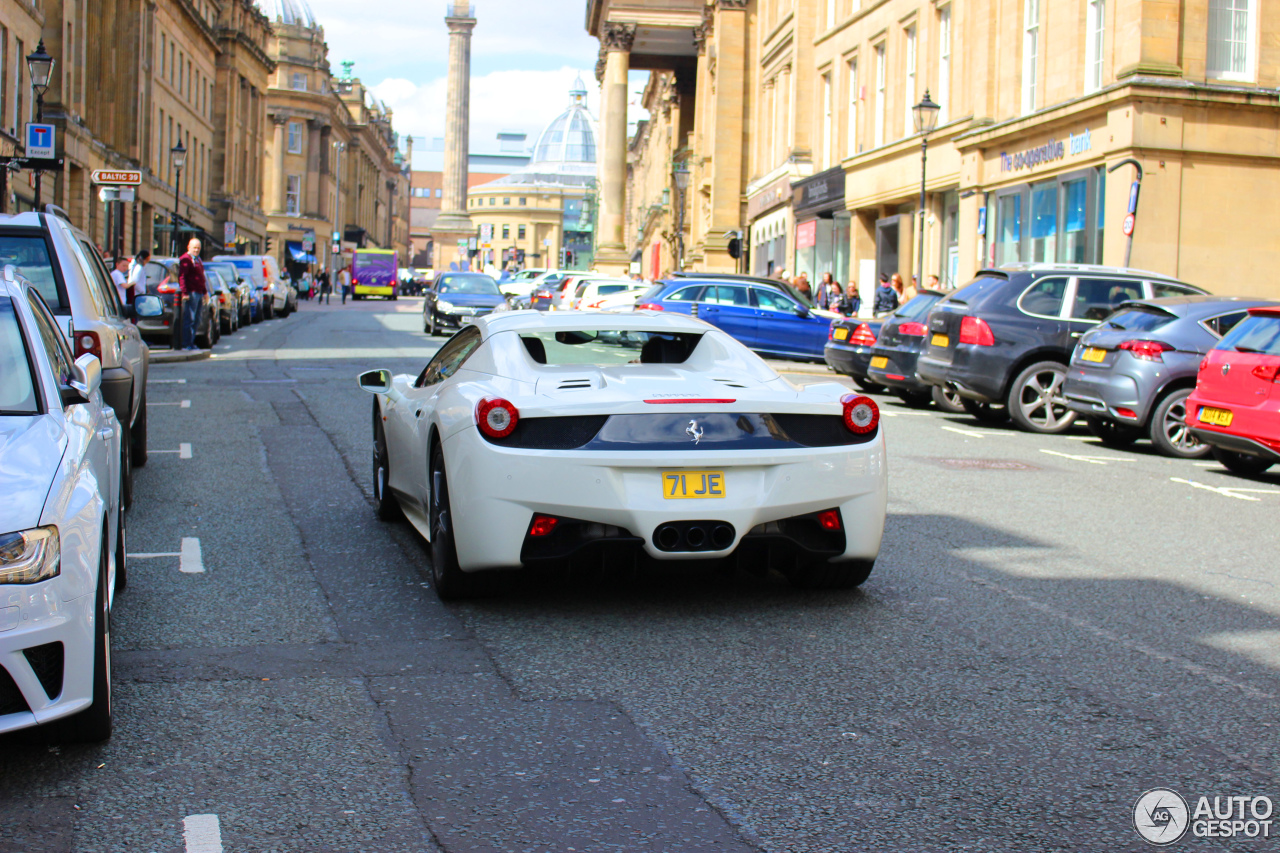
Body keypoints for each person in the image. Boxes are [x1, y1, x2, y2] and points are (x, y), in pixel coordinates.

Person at [178, 238, 207, 350]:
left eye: (198, 248)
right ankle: (186, 344)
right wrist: (185, 292)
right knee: (189, 319)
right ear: (188, 247)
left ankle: (191, 342)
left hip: (199, 292)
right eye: (194, 248)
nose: (196, 250)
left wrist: (205, 292)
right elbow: (182, 277)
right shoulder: (185, 259)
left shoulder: (198, 259)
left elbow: (201, 277)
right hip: (191, 292)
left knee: (196, 320)